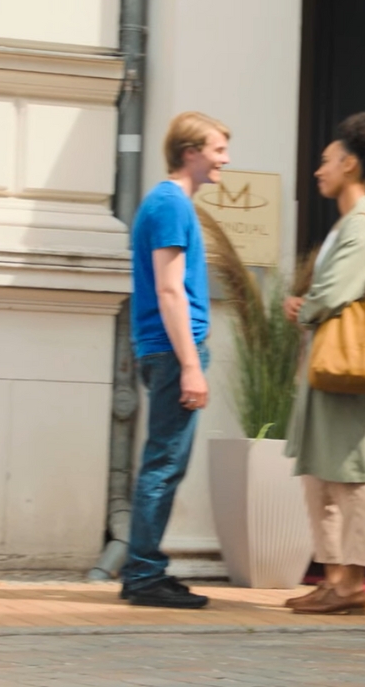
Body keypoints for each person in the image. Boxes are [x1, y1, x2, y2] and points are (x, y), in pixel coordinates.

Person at [283, 109, 365, 615]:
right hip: (324, 361)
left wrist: (305, 308)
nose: (320, 170)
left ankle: (352, 583)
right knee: (319, 473)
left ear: (351, 164)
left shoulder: (362, 224)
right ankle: (333, 577)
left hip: (342, 364)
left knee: (350, 472)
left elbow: (338, 290)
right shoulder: (348, 224)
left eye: (327, 161)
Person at [120, 112, 230, 608]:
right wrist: (190, 365)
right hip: (171, 351)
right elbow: (170, 290)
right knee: (163, 464)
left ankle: (145, 570)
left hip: (166, 350)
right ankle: (144, 576)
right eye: (217, 149)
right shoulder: (170, 205)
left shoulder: (169, 203)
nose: (225, 158)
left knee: (165, 463)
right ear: (190, 152)